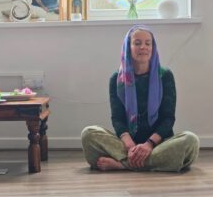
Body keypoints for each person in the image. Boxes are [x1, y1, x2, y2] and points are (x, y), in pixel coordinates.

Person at [81, 25, 200, 172]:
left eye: (147, 43)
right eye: (137, 43)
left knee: (190, 141)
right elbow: (117, 119)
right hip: (126, 145)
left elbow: (168, 118)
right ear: (128, 47)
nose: (143, 47)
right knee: (89, 133)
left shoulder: (165, 76)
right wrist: (131, 146)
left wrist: (149, 145)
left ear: (152, 48)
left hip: (158, 145)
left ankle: (124, 165)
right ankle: (147, 163)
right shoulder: (117, 79)